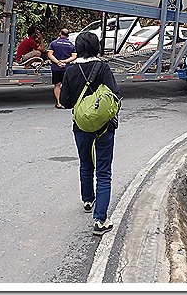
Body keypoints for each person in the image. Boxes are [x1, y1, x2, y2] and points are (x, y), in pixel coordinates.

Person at [59, 32, 121, 236]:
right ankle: (100, 220)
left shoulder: (70, 70)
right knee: (104, 172)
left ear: (77, 48)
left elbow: (66, 102)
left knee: (86, 163)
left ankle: (88, 200)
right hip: (104, 126)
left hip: (81, 125)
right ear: (97, 47)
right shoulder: (103, 67)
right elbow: (115, 94)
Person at [47, 28, 77, 109]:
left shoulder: (54, 43)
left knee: (57, 85)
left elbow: (50, 55)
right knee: (67, 85)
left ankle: (58, 102)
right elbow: (74, 56)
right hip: (66, 68)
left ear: (60, 34)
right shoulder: (71, 45)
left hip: (56, 68)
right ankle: (67, 102)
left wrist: (58, 62)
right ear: (68, 35)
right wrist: (65, 61)